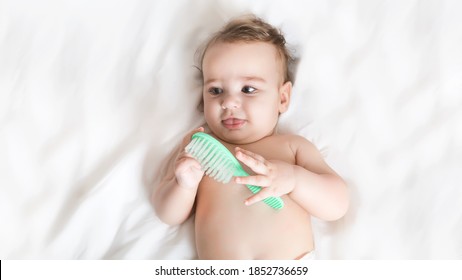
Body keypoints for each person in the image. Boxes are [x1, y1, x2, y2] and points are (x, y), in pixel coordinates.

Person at [153, 15, 349, 260]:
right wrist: (183, 185)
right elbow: (167, 214)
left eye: (248, 89)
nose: (228, 102)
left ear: (282, 98)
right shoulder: (199, 145)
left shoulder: (292, 148)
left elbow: (337, 205)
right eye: (215, 90)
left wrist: (295, 180)